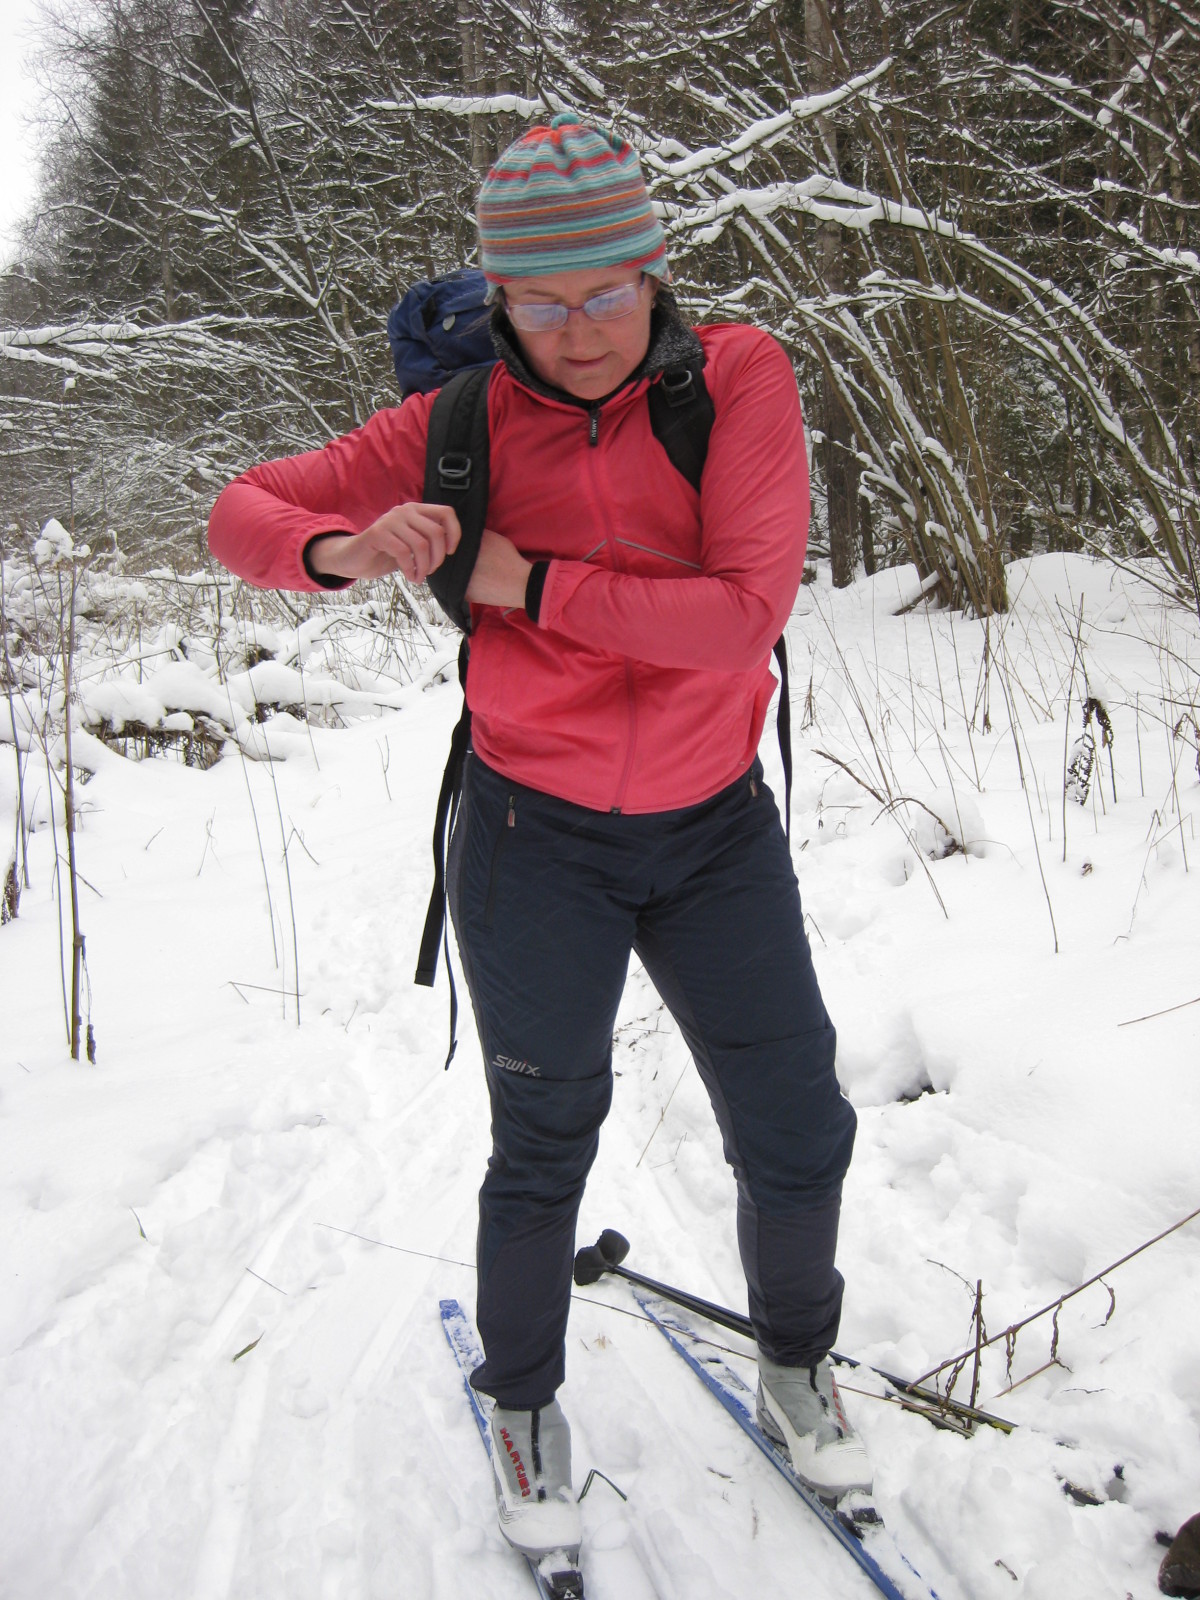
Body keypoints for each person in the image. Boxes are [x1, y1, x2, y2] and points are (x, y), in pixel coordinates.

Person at [208, 112, 863, 1565]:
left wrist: (528, 583)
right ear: (497, 297)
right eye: (543, 301)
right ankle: (521, 1399)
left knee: (798, 1122)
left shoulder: (735, 378)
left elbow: (741, 617)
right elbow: (238, 513)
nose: (581, 331)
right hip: (531, 836)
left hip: (714, 832)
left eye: (609, 290)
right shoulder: (455, 426)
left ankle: (799, 1363)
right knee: (545, 1138)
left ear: (654, 268)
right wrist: (340, 549)